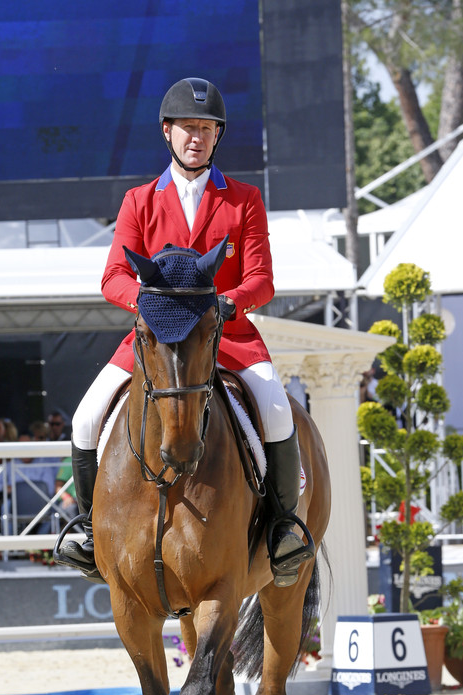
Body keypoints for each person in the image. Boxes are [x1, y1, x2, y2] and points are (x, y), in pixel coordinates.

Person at [57, 77, 314, 586]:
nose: (195, 137)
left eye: (206, 128)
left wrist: (224, 305)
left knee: (278, 410)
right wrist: (147, 304)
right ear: (167, 133)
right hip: (154, 339)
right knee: (85, 419)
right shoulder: (139, 201)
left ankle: (283, 528)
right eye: (186, 128)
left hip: (227, 334)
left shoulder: (243, 200)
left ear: (217, 136)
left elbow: (261, 280)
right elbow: (113, 277)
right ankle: (89, 529)